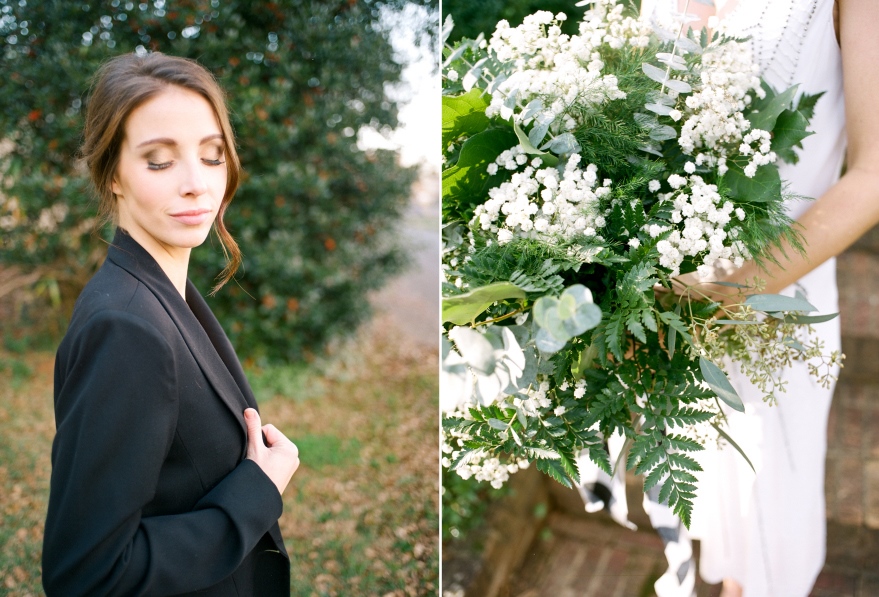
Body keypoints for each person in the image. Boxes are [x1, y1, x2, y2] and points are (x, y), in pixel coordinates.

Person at [632, 0, 879, 595]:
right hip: (672, 308)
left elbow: (874, 177)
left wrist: (729, 291)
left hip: (780, 311)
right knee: (717, 510)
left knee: (772, 515)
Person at [42, 52, 301, 596]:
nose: (197, 184)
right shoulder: (125, 329)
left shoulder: (164, 291)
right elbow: (85, 576)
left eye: (212, 156)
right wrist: (258, 490)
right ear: (112, 174)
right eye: (159, 161)